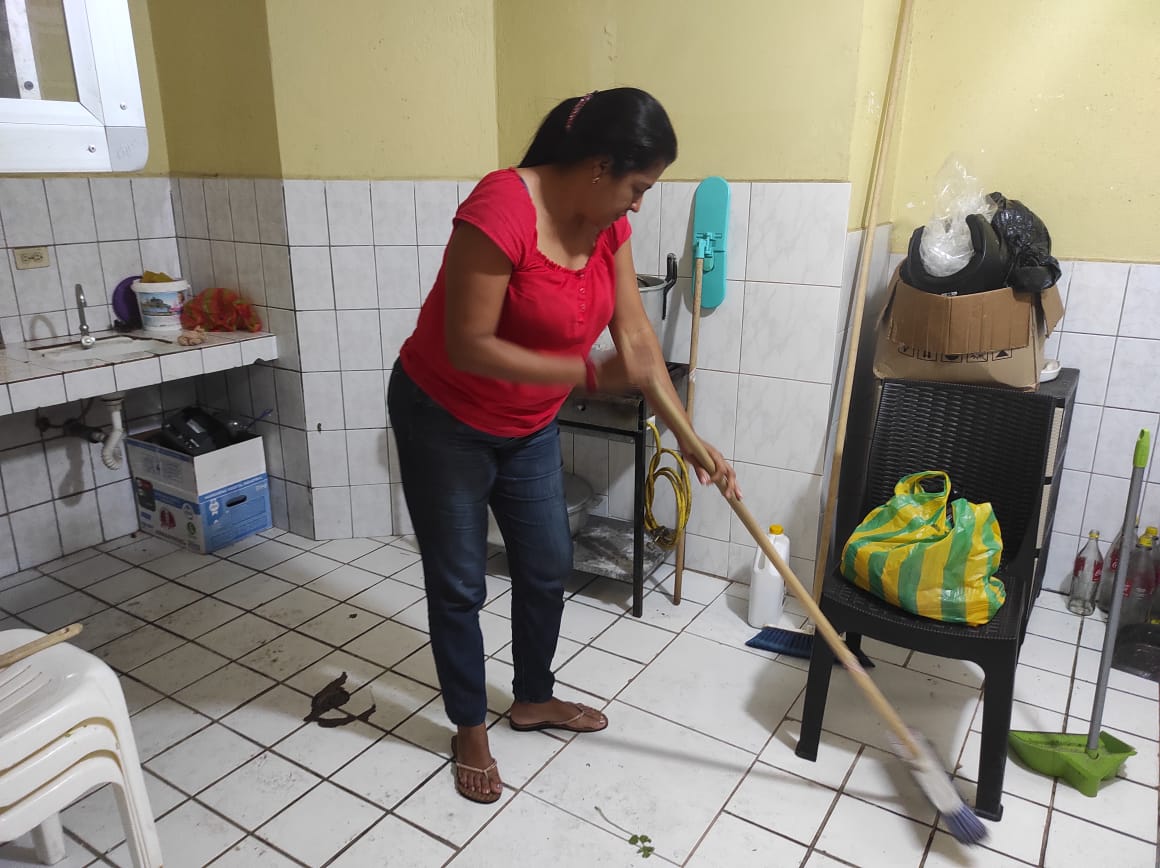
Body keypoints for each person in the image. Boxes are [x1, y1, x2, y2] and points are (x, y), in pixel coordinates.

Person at [387, 87, 740, 804]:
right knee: (459, 583)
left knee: (547, 563)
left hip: (526, 424)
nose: (638, 204)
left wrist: (687, 436)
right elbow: (468, 342)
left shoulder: (606, 225)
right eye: (638, 187)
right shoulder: (502, 208)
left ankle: (531, 698)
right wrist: (584, 374)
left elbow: (635, 338)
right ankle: (468, 726)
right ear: (599, 164)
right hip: (444, 417)